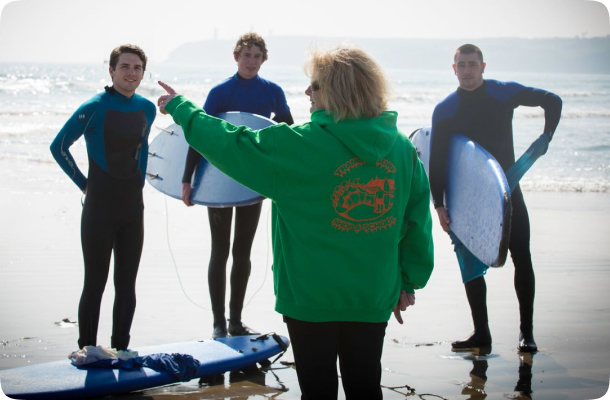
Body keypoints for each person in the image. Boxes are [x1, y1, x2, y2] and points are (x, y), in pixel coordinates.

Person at [158, 43, 434, 400]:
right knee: (365, 386)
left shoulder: (296, 145)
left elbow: (229, 144)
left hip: (309, 296)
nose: (307, 91)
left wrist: (181, 108)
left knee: (317, 391)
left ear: (337, 90)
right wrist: (408, 283)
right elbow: (417, 222)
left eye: (315, 85)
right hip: (373, 294)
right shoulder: (400, 148)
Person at [429, 44, 562, 352]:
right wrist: (439, 204)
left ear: (483, 66)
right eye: (461, 65)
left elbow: (552, 101)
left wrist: (546, 137)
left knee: (522, 257)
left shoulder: (502, 93)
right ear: (453, 69)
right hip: (466, 200)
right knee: (470, 263)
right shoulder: (445, 109)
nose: (467, 70)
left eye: (472, 64)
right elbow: (436, 161)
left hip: (507, 191)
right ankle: (482, 333)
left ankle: (526, 334)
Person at [180, 32, 294, 339]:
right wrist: (187, 179)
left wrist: (284, 176)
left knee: (242, 252)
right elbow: (198, 134)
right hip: (218, 180)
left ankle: (235, 320)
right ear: (236, 57)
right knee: (220, 250)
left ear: (263, 59)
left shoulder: (272, 92)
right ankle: (218, 323)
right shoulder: (221, 93)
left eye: (257, 56)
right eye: (246, 55)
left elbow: (287, 134)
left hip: (252, 183)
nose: (251, 61)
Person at [50, 44, 156, 351]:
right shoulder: (94, 106)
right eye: (124, 66)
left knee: (126, 287)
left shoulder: (147, 108)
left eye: (137, 67)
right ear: (111, 70)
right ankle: (87, 351)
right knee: (95, 284)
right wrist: (84, 185)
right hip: (98, 209)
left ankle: (121, 351)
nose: (131, 72)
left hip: (133, 210)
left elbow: (143, 147)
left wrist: (140, 181)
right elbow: (59, 147)